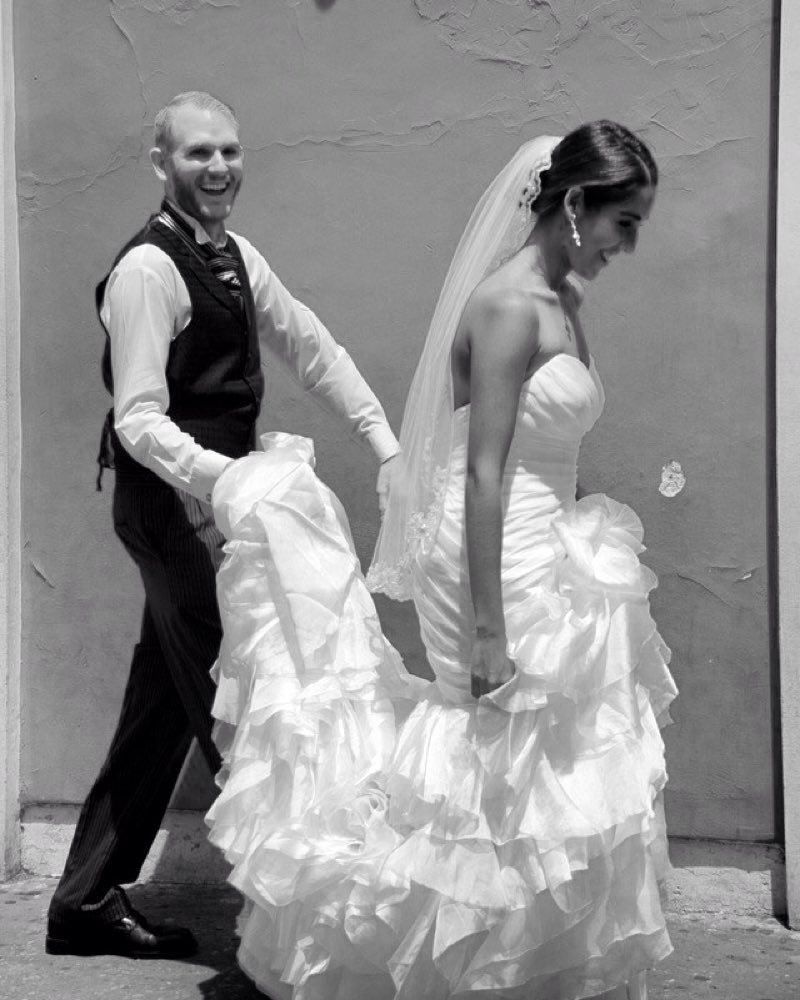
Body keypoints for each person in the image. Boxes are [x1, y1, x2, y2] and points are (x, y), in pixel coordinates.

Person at [205, 121, 678, 1000]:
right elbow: (483, 471)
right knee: (493, 759)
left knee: (554, 768)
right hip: (489, 558)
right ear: (575, 204)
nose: (629, 244)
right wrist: (491, 629)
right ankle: (451, 973)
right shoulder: (505, 306)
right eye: (625, 221)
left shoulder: (562, 302)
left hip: (550, 549)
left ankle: (527, 975)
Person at [45, 91, 400, 960]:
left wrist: (385, 442)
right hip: (173, 508)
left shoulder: (238, 257)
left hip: (223, 504)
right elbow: (138, 418)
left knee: (166, 699)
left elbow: (311, 347)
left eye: (231, 152)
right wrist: (226, 480)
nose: (219, 169)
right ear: (160, 163)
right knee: (232, 701)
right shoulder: (147, 272)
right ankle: (298, 920)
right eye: (199, 154)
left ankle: (83, 903)